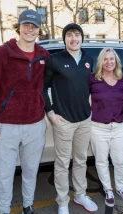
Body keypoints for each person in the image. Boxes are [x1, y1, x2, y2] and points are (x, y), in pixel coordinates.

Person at [0, 10, 49, 214]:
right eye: (26, 25)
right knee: (5, 174)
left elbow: (49, 86)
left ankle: (28, 206)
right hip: (6, 126)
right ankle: (4, 210)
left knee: (30, 171)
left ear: (39, 30)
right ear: (19, 27)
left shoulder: (43, 55)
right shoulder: (1, 53)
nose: (30, 29)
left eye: (34, 26)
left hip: (35, 125)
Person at [42, 23, 98, 214]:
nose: (74, 39)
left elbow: (91, 88)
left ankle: (80, 195)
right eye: (70, 35)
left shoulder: (89, 59)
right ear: (64, 38)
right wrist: (51, 114)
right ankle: (63, 201)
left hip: (84, 120)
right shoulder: (55, 60)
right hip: (63, 121)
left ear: (82, 38)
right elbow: (41, 88)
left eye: (77, 35)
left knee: (81, 160)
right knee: (62, 163)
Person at [89, 48, 123, 207]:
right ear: (100, 62)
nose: (109, 62)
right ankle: (108, 189)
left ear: (116, 61)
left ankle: (121, 188)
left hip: (119, 127)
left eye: (112, 59)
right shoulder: (92, 80)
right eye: (105, 59)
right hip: (98, 128)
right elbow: (78, 97)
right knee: (101, 161)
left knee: (120, 160)